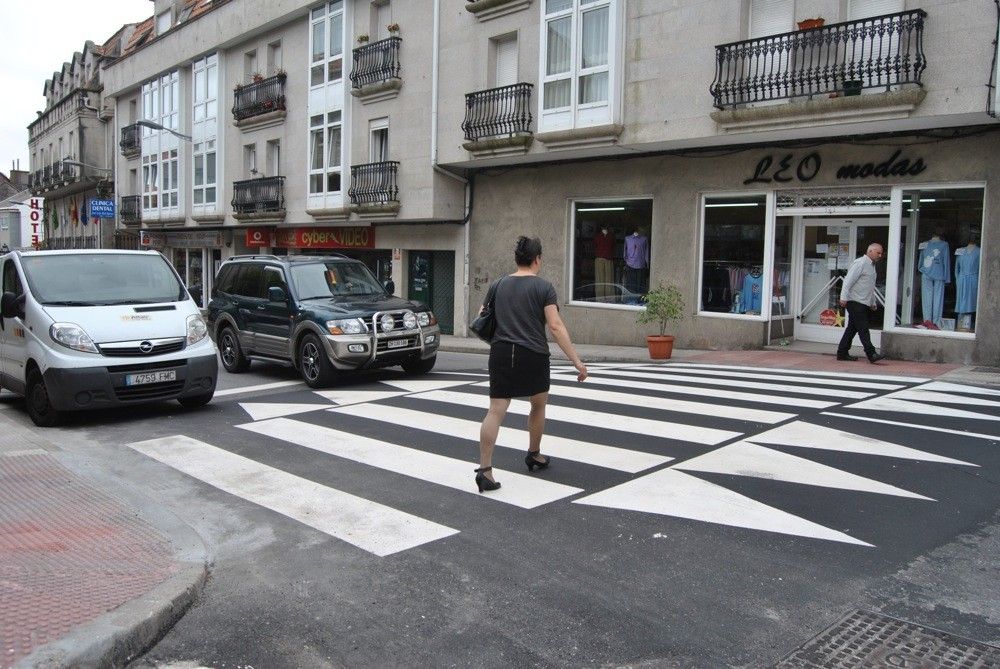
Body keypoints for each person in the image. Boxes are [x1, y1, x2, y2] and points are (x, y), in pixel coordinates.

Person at [475, 236, 588, 492]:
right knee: (537, 405)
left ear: (517, 259)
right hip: (533, 354)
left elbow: (483, 315)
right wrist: (576, 361)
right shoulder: (543, 287)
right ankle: (534, 454)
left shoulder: (498, 284)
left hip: (502, 352)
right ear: (538, 259)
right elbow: (556, 326)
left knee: (495, 410)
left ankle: (485, 470)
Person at [836, 242, 885, 364]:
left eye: (881, 253)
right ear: (870, 251)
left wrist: (872, 302)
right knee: (863, 328)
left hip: (863, 302)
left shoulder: (872, 266)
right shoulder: (860, 263)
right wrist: (843, 297)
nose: (880, 255)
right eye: (878, 252)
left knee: (852, 329)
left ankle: (842, 352)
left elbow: (869, 286)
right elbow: (848, 280)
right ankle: (871, 353)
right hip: (854, 301)